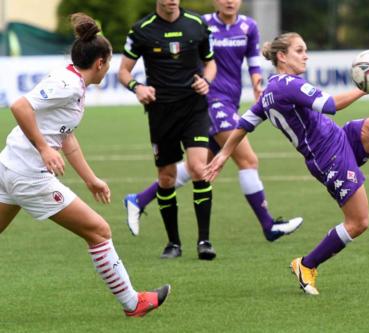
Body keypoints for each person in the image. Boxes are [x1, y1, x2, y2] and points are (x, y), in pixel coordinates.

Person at [203, 32, 369, 295]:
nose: (306, 57)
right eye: (300, 51)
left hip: (340, 137)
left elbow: (243, 125)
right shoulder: (287, 85)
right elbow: (329, 104)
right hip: (327, 157)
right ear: (282, 56)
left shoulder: (270, 91)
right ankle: (306, 265)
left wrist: (224, 154)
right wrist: (363, 87)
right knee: (359, 222)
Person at [0, 13, 170, 317]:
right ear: (101, 63)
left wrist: (91, 179)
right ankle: (133, 303)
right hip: (28, 174)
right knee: (99, 231)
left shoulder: (73, 84)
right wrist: (43, 148)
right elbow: (19, 105)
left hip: (10, 166)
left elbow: (67, 139)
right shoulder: (68, 84)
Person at [123, 0, 303, 246]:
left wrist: (258, 83)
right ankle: (269, 225)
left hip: (231, 100)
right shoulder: (202, 23)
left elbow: (252, 60)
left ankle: (139, 199)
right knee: (248, 160)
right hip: (209, 101)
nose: (229, 1)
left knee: (200, 167)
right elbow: (198, 59)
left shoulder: (249, 26)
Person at [118, 0, 218, 260]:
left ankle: (204, 241)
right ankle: (173, 243)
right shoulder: (142, 29)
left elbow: (210, 63)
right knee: (166, 177)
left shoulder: (197, 24)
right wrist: (137, 87)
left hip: (194, 108)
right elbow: (123, 72)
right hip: (161, 112)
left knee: (198, 168)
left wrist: (206, 81)